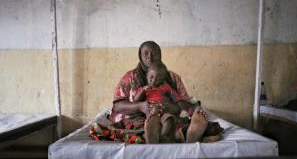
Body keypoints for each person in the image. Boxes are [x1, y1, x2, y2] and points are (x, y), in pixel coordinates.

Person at [89, 41, 221, 143]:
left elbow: (183, 102)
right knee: (137, 128)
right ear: (140, 56)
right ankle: (174, 135)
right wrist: (140, 106)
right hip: (139, 119)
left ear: (160, 55)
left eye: (154, 53)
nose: (150, 57)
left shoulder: (173, 78)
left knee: (178, 122)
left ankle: (173, 134)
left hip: (168, 116)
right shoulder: (129, 77)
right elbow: (117, 106)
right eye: (145, 53)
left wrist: (177, 107)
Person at [133, 61, 184, 143]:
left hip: (164, 112)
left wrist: (171, 102)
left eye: (158, 78)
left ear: (163, 79)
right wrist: (143, 91)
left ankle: (162, 137)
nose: (153, 80)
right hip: (151, 115)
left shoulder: (166, 87)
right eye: (151, 77)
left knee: (169, 120)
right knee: (147, 124)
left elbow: (175, 98)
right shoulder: (144, 89)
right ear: (147, 75)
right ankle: (152, 136)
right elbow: (136, 100)